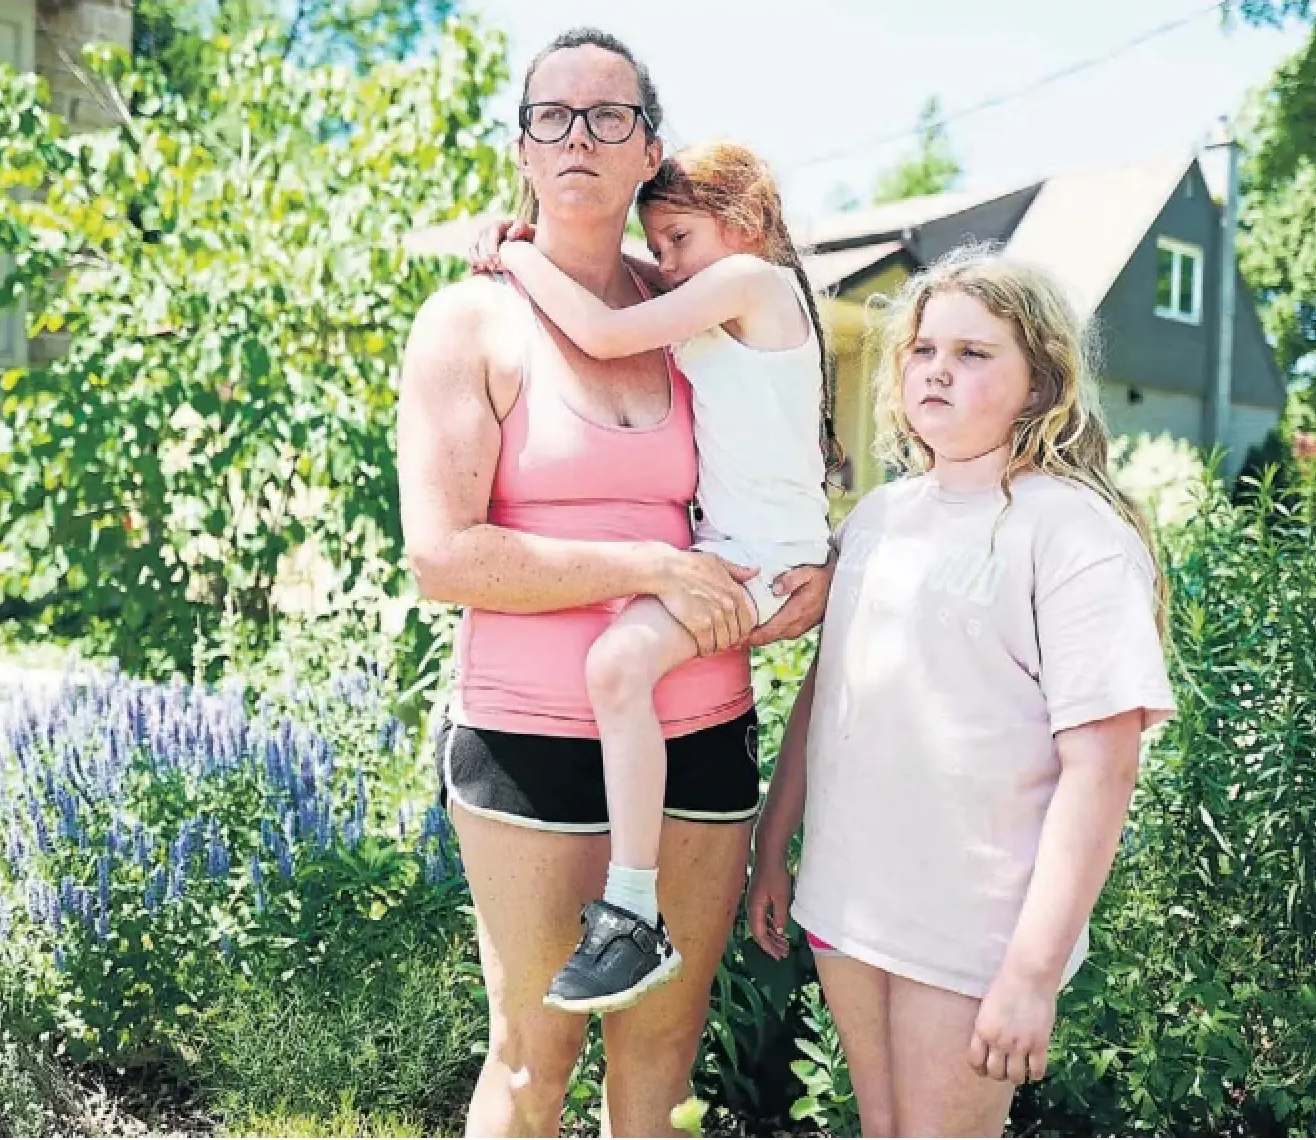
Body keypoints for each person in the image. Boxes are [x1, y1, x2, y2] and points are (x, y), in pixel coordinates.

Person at [396, 27, 831, 1136]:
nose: (577, 134)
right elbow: (440, 556)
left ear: (649, 150)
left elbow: (783, 457)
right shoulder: (472, 319)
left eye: (608, 115)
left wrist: (806, 583)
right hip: (530, 734)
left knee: (658, 1068)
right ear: (523, 151)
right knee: (533, 1064)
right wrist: (646, 568)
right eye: (552, 116)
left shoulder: (691, 304)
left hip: (703, 728)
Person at [745, 245, 1176, 1136]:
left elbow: (1102, 770)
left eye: (975, 353)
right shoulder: (876, 519)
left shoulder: (1072, 535)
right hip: (849, 903)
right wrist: (772, 844)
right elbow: (829, 693)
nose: (939, 369)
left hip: (974, 930)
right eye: (925, 349)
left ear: (1041, 382)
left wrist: (1030, 971)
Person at [468, 139, 835, 1013]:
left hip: (760, 563)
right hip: (754, 551)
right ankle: (631, 911)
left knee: (616, 667)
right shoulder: (732, 288)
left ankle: (632, 913)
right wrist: (545, 239)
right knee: (621, 670)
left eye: (679, 240)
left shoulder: (753, 285)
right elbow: (627, 282)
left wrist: (518, 253)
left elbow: (601, 328)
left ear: (742, 224)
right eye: (657, 246)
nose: (665, 265)